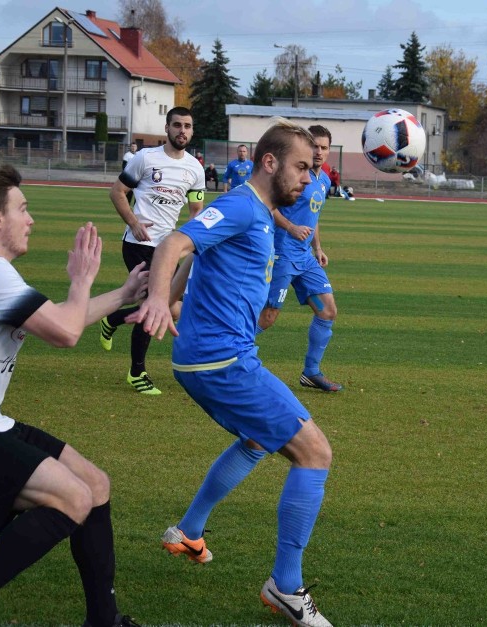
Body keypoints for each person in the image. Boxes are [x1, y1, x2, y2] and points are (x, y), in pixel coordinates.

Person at [0, 165, 147, 627]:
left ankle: (104, 619)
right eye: (23, 208)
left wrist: (121, 294)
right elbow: (65, 332)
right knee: (71, 499)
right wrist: (82, 277)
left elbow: (59, 318)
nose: (30, 219)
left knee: (94, 486)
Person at [124, 118, 333, 627]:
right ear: (269, 162)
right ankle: (286, 587)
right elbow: (176, 243)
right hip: (224, 360)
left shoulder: (258, 212)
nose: (309, 178)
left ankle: (189, 531)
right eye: (302, 167)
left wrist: (170, 301)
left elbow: (196, 260)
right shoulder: (242, 203)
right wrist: (156, 300)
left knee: (260, 440)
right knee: (314, 453)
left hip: (208, 359)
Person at [100, 106, 205, 395]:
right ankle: (137, 373)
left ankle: (114, 319)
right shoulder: (144, 159)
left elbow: (197, 211)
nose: (182, 131)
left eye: (187, 126)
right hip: (138, 244)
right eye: (177, 125)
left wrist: (185, 242)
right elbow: (117, 192)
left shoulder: (195, 169)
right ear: (167, 128)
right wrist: (132, 222)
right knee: (155, 304)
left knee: (169, 308)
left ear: (192, 131)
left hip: (166, 249)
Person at [258, 125, 343, 392]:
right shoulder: (293, 175)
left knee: (327, 310)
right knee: (268, 317)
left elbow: (313, 217)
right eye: (314, 146)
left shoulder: (324, 180)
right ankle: (224, 359)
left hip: (305, 258)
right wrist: (291, 228)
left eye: (324, 147)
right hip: (282, 254)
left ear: (329, 151)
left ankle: (311, 372)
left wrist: (318, 247)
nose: (319, 152)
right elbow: (268, 206)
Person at [121, 142, 138, 206]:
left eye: (134, 146)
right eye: (132, 146)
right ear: (130, 147)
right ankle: (126, 205)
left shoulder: (138, 155)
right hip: (130, 177)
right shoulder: (127, 155)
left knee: (137, 192)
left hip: (137, 177)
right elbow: (124, 166)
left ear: (136, 148)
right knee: (129, 192)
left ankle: (136, 206)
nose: (133, 148)